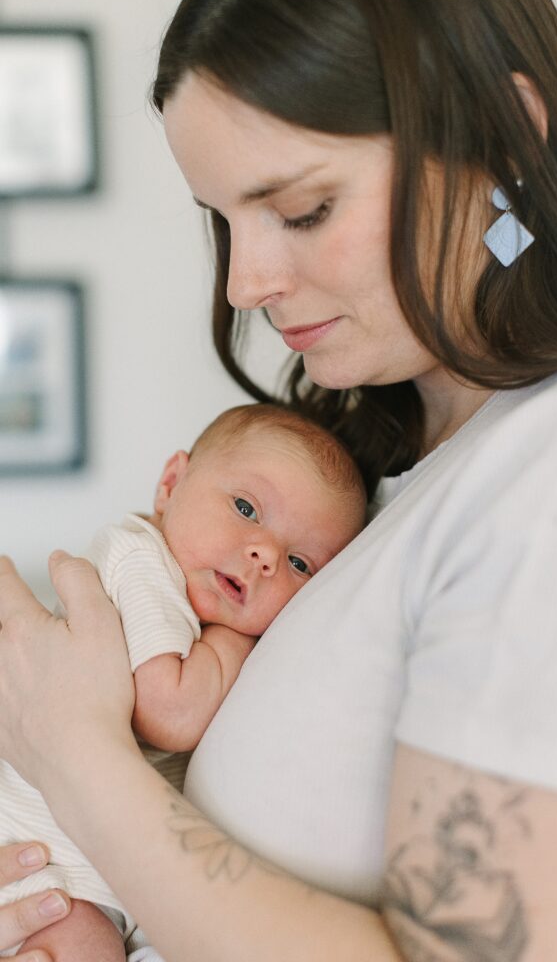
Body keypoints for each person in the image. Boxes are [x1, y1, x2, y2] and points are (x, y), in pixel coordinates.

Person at [0, 0, 557, 960]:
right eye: (222, 220)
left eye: (301, 209)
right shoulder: (390, 477)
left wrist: (70, 755)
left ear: (500, 141)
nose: (245, 283)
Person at [0, 403, 366, 960]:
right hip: (39, 856)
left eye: (300, 564)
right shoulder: (140, 559)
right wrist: (238, 641)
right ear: (171, 484)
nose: (265, 555)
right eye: (246, 508)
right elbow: (167, 712)